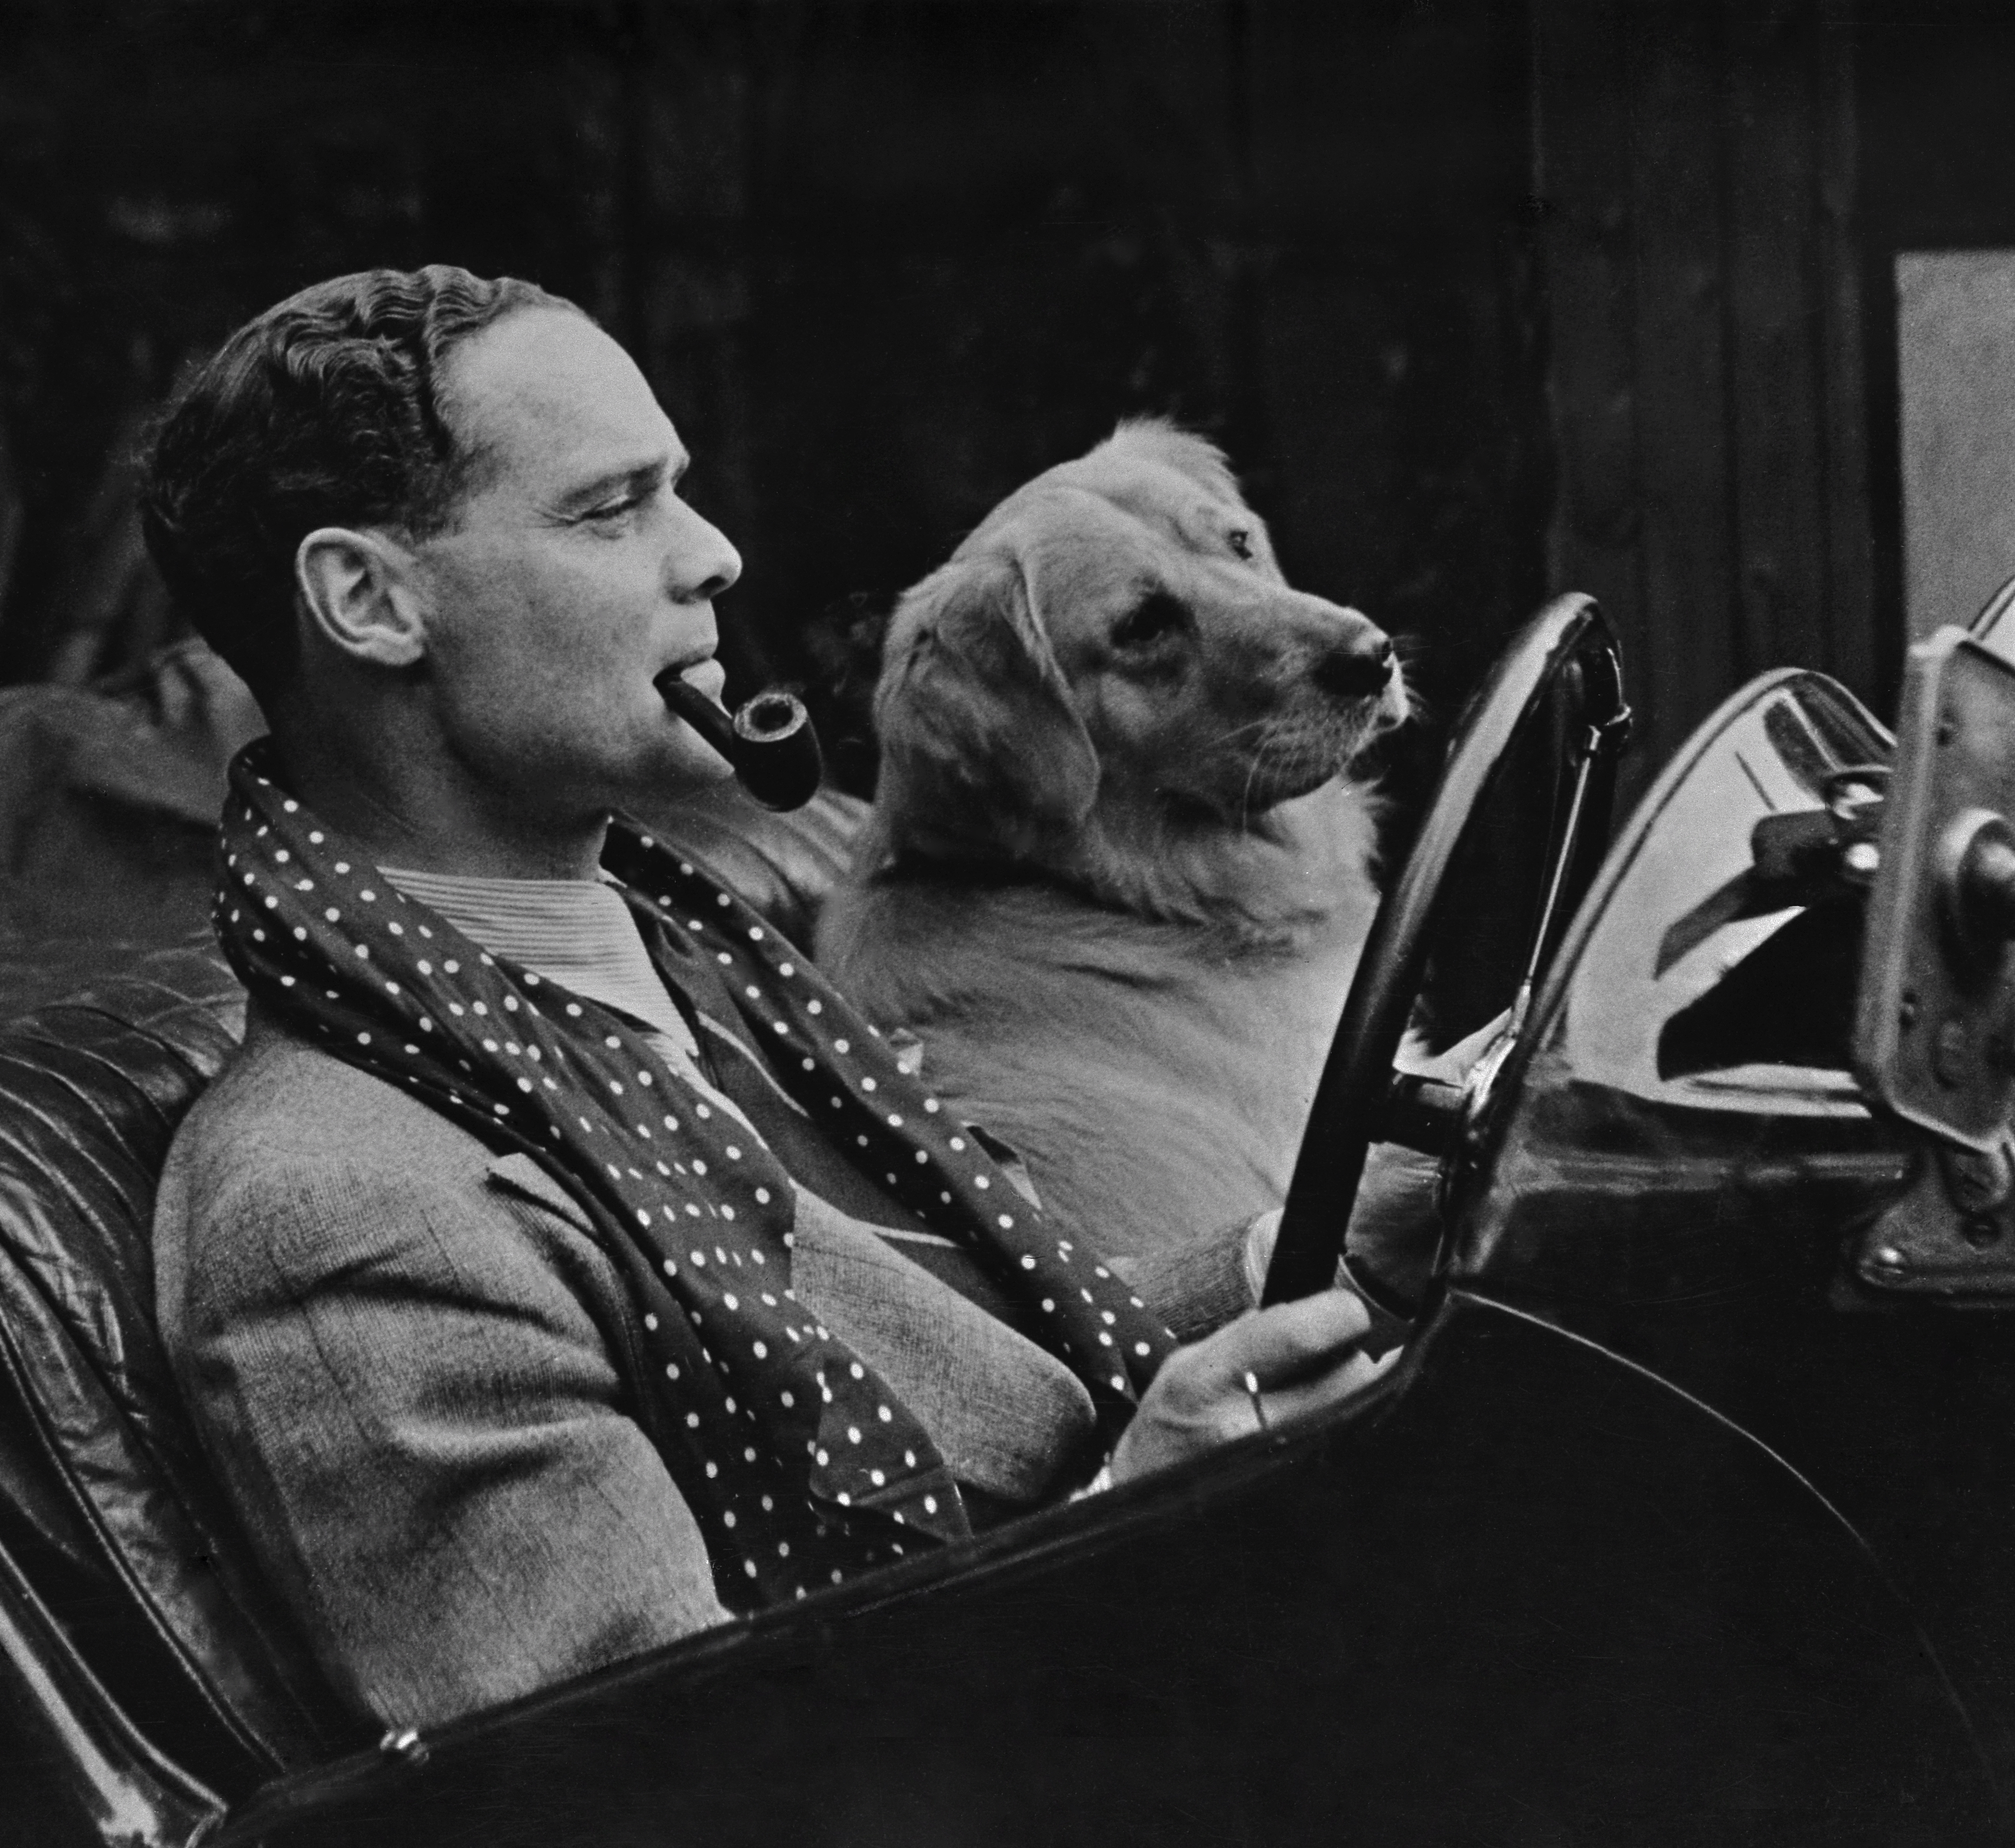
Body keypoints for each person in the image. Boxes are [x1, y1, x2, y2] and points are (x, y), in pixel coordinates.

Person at [142, 264, 1402, 1733]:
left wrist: (1315, 1247)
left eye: (679, 490)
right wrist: (1130, 1518)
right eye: (611, 510)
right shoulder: (342, 1216)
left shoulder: (690, 967)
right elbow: (664, 1775)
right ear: (370, 601)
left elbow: (975, 1373)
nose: (715, 555)